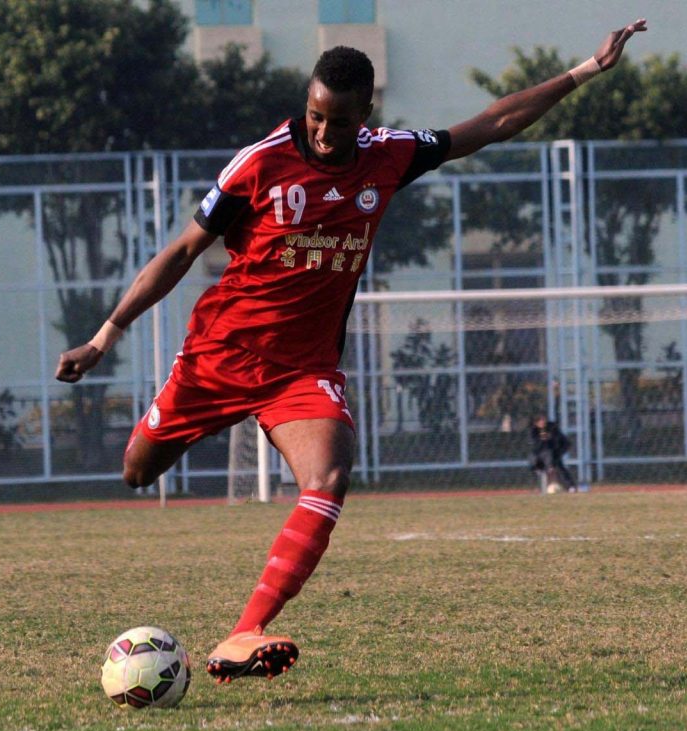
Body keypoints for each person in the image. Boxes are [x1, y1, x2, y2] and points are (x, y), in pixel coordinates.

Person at [55, 18, 647, 685]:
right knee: (137, 471)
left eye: (338, 121)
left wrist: (585, 72)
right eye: (314, 116)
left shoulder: (390, 153)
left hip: (302, 372)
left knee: (330, 477)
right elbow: (182, 252)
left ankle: (245, 631)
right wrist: (106, 335)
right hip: (218, 357)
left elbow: (493, 123)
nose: (323, 132)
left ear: (366, 113)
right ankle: (175, 444)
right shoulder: (259, 162)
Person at [528, 414, 577, 493]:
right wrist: (542, 440)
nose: (542, 422)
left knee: (558, 467)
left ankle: (570, 487)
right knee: (537, 466)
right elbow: (534, 444)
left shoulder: (552, 428)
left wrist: (558, 452)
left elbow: (564, 443)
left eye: (544, 420)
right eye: (539, 421)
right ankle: (539, 487)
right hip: (539, 455)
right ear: (536, 423)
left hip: (554, 453)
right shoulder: (533, 431)